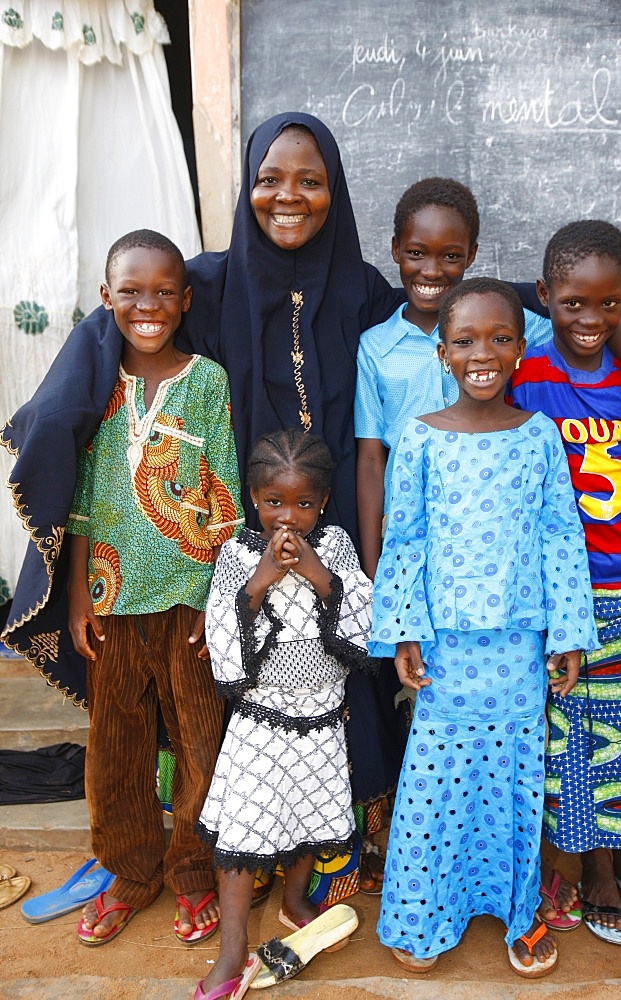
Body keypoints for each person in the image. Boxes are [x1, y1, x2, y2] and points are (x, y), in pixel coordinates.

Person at [0, 112, 404, 827]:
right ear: (247, 185)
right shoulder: (206, 284)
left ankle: (343, 821)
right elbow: (117, 323)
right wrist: (47, 425)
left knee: (335, 662)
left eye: (310, 181)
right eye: (269, 179)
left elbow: (485, 310)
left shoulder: (364, 288)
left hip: (328, 526)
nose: (288, 195)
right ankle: (243, 830)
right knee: (221, 693)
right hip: (228, 539)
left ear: (333, 190)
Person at [370, 277, 599, 977]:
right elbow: (403, 537)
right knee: (436, 781)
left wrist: (566, 632)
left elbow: (561, 534)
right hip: (446, 652)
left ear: (520, 351)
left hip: (519, 650)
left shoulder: (538, 437)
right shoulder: (419, 439)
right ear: (441, 353)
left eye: (501, 339)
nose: (483, 353)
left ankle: (517, 910)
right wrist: (404, 630)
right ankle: (419, 912)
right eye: (465, 340)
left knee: (513, 781)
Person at [67, 230, 243, 946]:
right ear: (107, 298)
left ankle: (193, 871)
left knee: (202, 744)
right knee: (117, 746)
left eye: (164, 292)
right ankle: (131, 872)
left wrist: (221, 597)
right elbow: (78, 495)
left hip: (187, 598)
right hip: (110, 601)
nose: (148, 305)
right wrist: (79, 591)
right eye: (131, 291)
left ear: (185, 299)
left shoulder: (206, 381)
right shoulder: (95, 384)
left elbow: (223, 493)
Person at [511, 220, 621, 946]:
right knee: (575, 737)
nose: (591, 320)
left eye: (609, 305)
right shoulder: (529, 377)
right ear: (546, 297)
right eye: (573, 303)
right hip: (563, 596)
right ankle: (595, 868)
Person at [194, 429, 371, 999]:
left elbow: (364, 625)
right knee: (245, 830)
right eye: (274, 502)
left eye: (303, 503)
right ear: (253, 497)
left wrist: (318, 574)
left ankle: (296, 901)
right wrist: (261, 581)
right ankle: (232, 949)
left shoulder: (337, 546)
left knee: (309, 814)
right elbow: (223, 632)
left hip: (322, 715)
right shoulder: (239, 554)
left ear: (321, 502)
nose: (288, 518)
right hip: (260, 719)